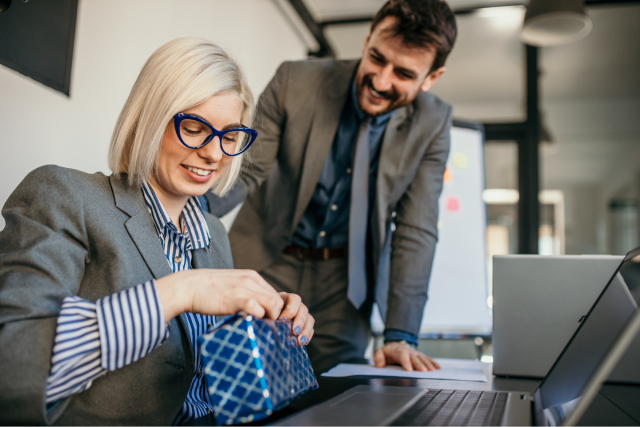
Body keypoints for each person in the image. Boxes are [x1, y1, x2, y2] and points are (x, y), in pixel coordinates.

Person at [0, 38, 314, 425]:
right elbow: (11, 367)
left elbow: (208, 383)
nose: (214, 154)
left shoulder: (213, 235)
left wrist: (272, 329)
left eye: (230, 136)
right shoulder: (64, 196)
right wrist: (179, 292)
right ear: (149, 117)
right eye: (195, 127)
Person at [205, 0, 457, 375]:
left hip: (346, 287)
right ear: (367, 38)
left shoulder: (433, 123)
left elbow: (415, 229)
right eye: (377, 58)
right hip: (266, 262)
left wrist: (401, 334)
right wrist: (177, 215)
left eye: (403, 73)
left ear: (431, 78)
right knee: (241, 389)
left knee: (336, 402)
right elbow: (246, 170)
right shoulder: (295, 81)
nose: (381, 80)